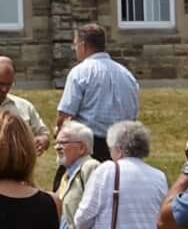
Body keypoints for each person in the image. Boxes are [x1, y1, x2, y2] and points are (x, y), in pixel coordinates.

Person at [58, 24, 139, 158]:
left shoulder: (80, 73)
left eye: (75, 45)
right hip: (123, 147)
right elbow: (133, 114)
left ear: (83, 46)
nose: (75, 50)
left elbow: (65, 114)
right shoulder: (128, 75)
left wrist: (59, 130)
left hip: (91, 146)